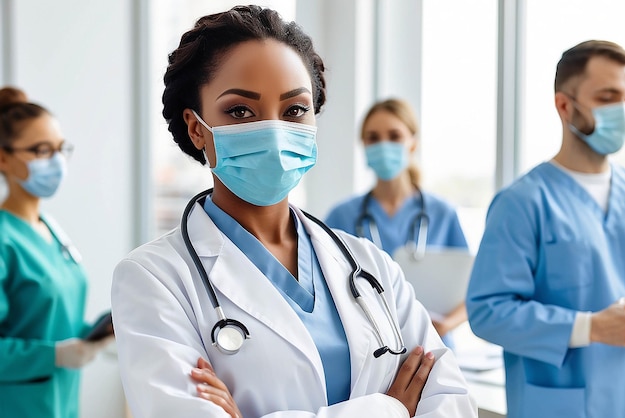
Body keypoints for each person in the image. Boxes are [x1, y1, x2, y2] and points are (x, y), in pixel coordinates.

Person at [111, 6, 476, 418]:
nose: (274, 128)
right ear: (197, 128)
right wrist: (389, 409)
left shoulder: (370, 265)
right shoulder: (153, 278)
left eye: (294, 110)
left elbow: (453, 403)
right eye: (240, 111)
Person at [466, 40, 625, 418]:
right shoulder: (521, 203)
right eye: (609, 96)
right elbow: (488, 312)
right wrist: (592, 328)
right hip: (558, 404)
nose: (621, 109)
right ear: (565, 106)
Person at [0, 87, 114, 417]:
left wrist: (95, 333)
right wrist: (56, 356)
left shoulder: (50, 229)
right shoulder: (5, 238)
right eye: (40, 150)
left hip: (62, 404)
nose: (56, 161)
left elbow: (49, 322)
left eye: (60, 149)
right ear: (4, 157)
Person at [325, 98, 469, 347]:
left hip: (433, 345)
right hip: (370, 347)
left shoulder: (443, 213)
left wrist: (445, 325)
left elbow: (473, 290)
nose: (384, 145)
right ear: (363, 145)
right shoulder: (342, 216)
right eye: (373, 138)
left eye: (394, 136)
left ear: (413, 143)